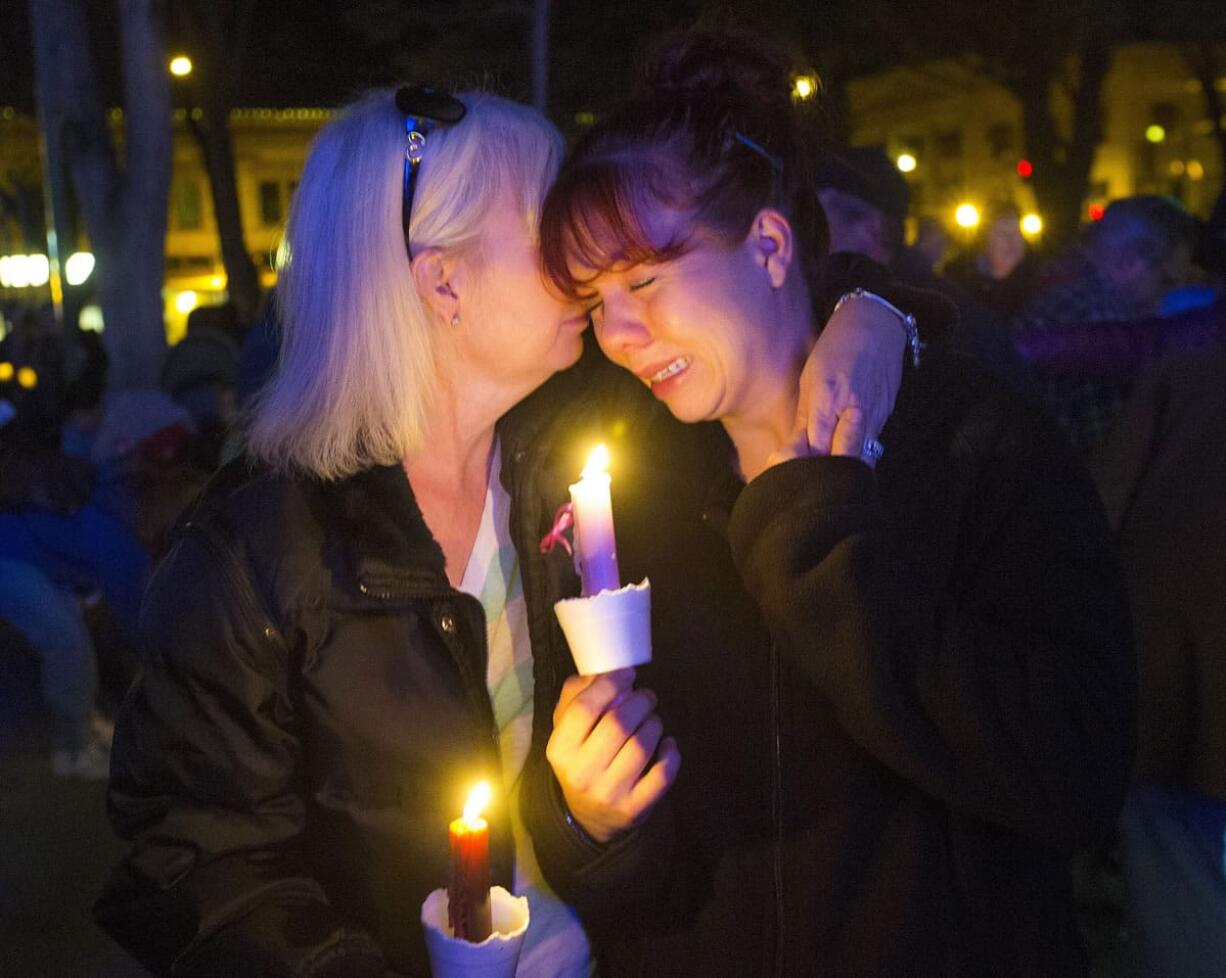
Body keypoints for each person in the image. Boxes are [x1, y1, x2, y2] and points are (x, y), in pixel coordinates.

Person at [95, 84, 910, 978]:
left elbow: (755, 292)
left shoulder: (586, 452)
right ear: (443, 280)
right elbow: (201, 870)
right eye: (547, 222)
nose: (583, 250)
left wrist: (876, 313)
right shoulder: (253, 554)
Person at [525, 28, 1135, 977]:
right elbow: (628, 866)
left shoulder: (971, 442)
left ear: (768, 244)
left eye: (644, 278)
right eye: (596, 300)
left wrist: (817, 538)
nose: (622, 332)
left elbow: (1080, 769)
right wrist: (588, 823)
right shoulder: (627, 494)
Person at [1091, 343, 1226, 977]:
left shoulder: (1185, 367)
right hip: (1174, 686)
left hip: (1167, 691)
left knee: (1181, 910)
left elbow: (1103, 508)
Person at [1016, 194, 1197, 453]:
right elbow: (1114, 449)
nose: (1187, 277)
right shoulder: (1097, 324)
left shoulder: (1061, 300)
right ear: (1130, 262)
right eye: (1169, 280)